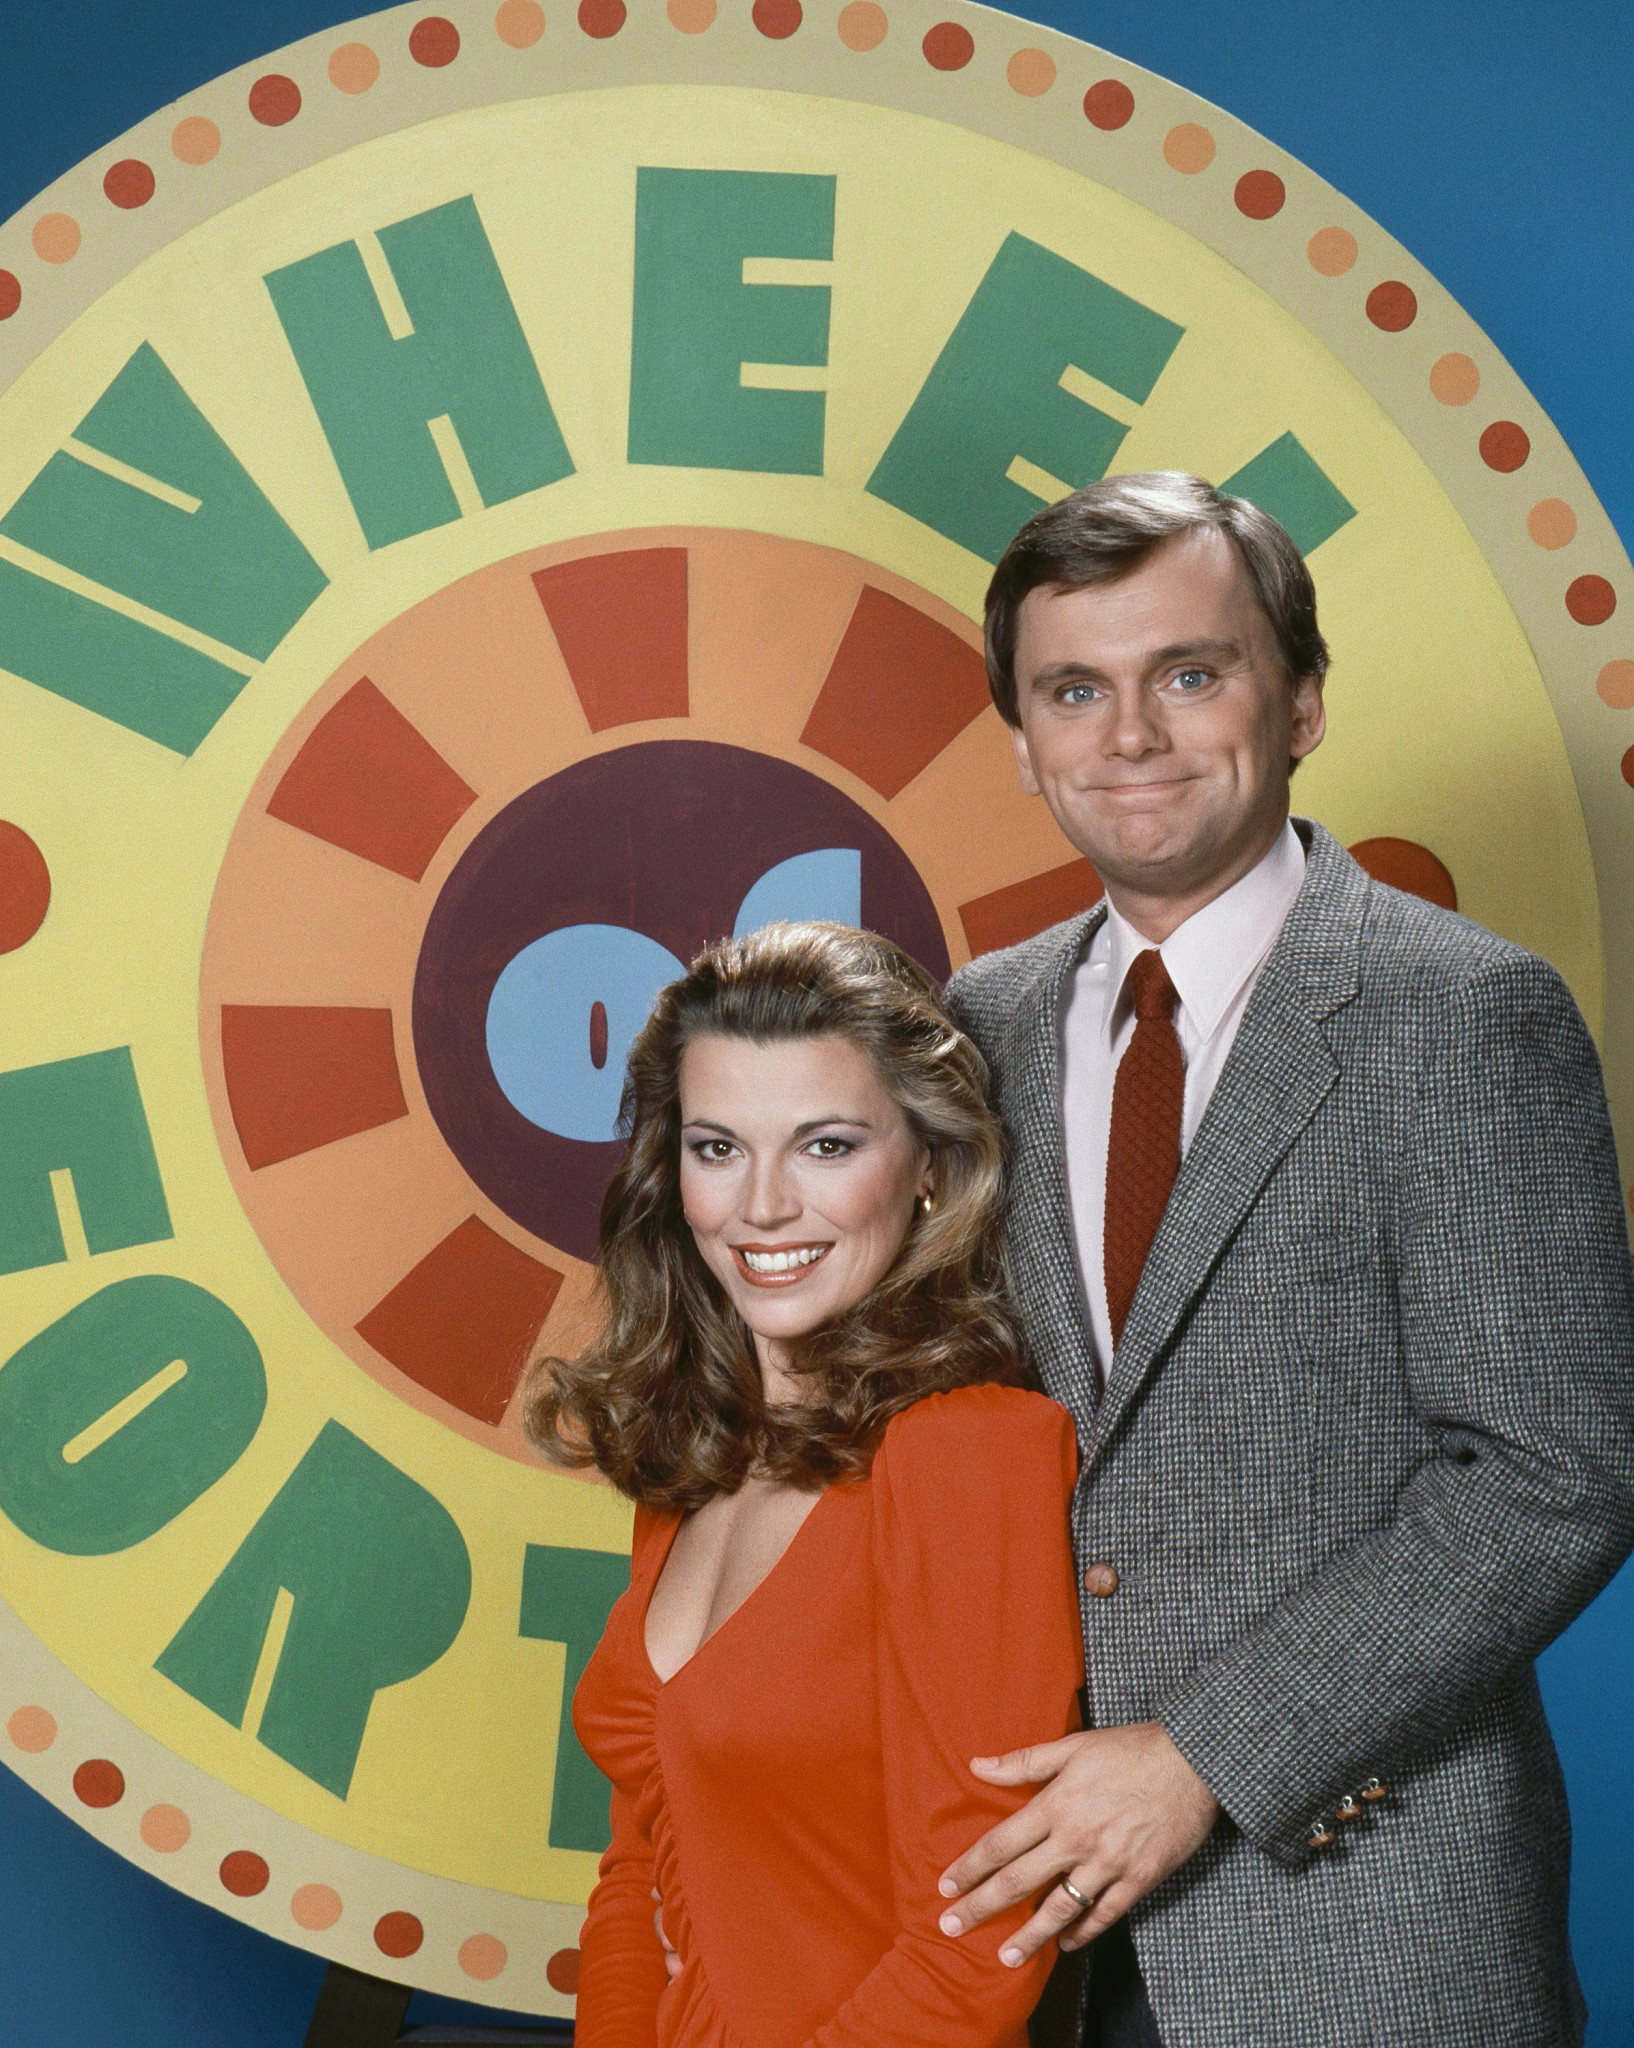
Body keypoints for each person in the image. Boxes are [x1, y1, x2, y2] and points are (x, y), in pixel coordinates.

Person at [936, 471, 1634, 2048]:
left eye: (1189, 674)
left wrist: (1204, 1757)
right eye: (1073, 691)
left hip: (1362, 1931)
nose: (1130, 735)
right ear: (1023, 740)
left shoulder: (1462, 1014)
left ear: (1301, 700)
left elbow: (1556, 1471)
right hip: (1022, 1938)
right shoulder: (975, 1024)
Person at [529, 921, 1085, 2048]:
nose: (763, 1205)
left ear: (930, 1167)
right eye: (717, 1147)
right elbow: (638, 1865)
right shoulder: (696, 1456)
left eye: (826, 1145)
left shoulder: (968, 1453)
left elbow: (976, 1945)